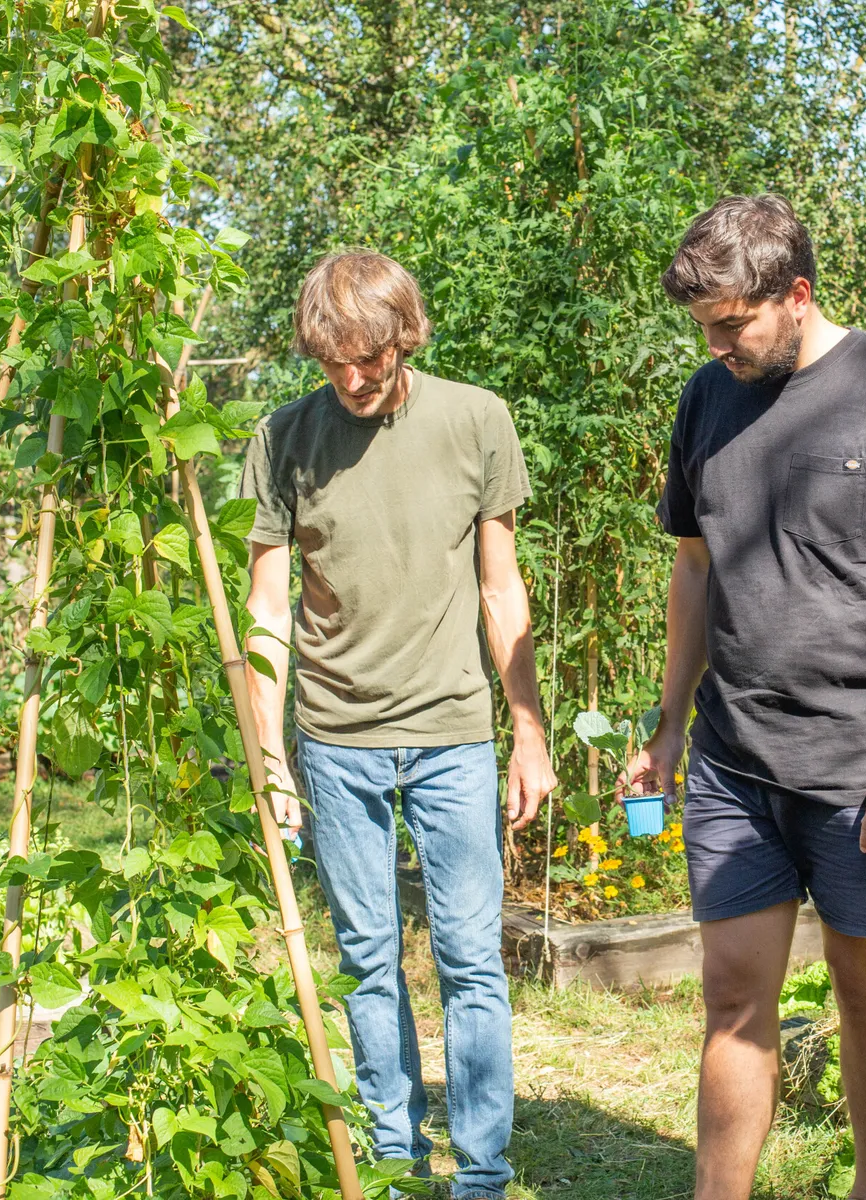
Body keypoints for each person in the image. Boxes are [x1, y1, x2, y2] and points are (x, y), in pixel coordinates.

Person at [624, 194, 866, 1200]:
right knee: (734, 996)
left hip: (862, 764)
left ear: (797, 294)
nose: (717, 347)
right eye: (704, 328)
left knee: (863, 984)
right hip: (734, 757)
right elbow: (695, 568)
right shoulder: (709, 398)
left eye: (733, 324)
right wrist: (668, 725)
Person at [240, 250, 558, 1200]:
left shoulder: (476, 419)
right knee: (368, 962)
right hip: (337, 741)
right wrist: (270, 758)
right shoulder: (282, 437)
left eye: (369, 358)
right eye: (332, 362)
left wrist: (529, 732)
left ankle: (482, 1176)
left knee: (471, 961)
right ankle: (395, 1167)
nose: (352, 378)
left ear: (406, 337)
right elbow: (266, 611)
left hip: (453, 732)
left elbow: (501, 591)